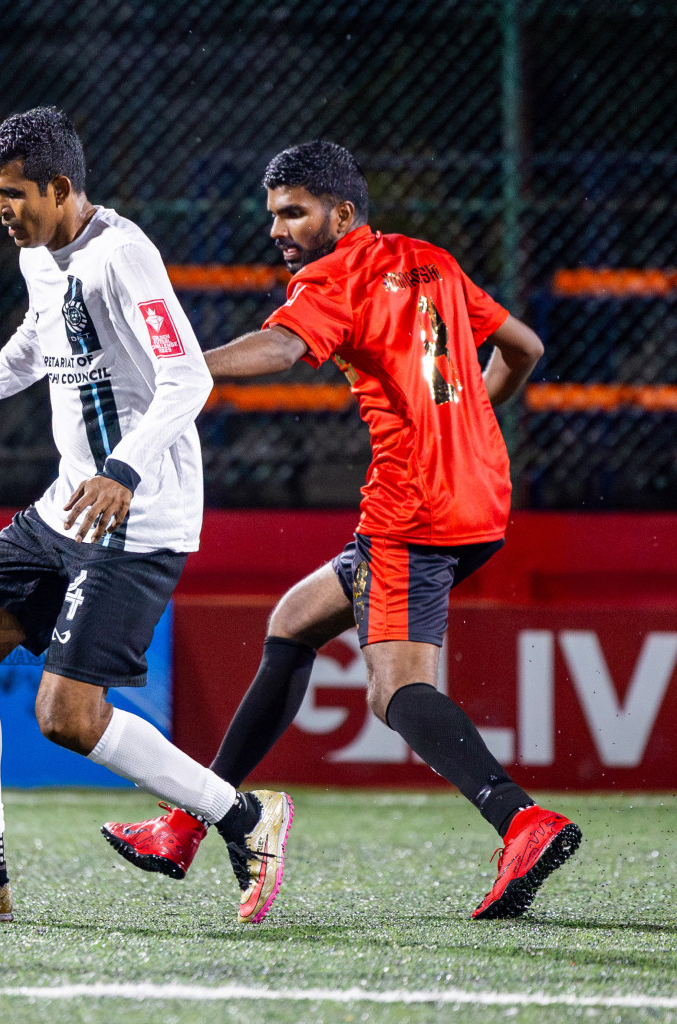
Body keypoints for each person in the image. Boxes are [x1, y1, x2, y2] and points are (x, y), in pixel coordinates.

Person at [101, 141, 576, 921]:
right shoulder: (429, 260)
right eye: (273, 214)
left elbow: (282, 347)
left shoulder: (331, 275)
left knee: (396, 691)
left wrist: (178, 365)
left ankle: (521, 819)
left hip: (412, 506)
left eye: (294, 212)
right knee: (294, 622)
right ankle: (188, 822)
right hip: (483, 493)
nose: (278, 229)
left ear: (343, 213)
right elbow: (525, 348)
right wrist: (468, 416)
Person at [0, 108, 295, 926]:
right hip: (66, 505)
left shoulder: (122, 255)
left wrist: (123, 470)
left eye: (13, 194)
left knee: (68, 718)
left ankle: (244, 816)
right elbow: (39, 335)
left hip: (136, 515)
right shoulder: (39, 252)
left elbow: (186, 377)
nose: (1, 209)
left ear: (61, 187)